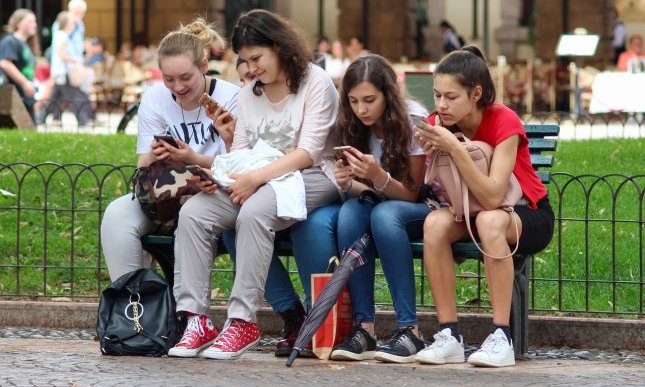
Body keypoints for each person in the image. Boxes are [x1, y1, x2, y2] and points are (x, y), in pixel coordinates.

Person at [169, 9, 341, 361]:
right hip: (258, 177)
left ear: (280, 48)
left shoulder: (315, 82)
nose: (249, 69)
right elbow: (243, 153)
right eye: (244, 61)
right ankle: (196, 318)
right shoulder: (250, 93)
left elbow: (308, 151)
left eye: (256, 58)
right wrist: (223, 172)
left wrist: (255, 180)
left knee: (254, 212)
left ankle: (242, 320)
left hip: (313, 175)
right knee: (195, 213)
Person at [414, 46, 554, 368]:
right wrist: (432, 151)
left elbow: (493, 197)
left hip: (525, 213)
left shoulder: (503, 120)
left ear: (476, 93)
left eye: (451, 97)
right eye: (437, 95)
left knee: (491, 221)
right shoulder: (439, 123)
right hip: (470, 211)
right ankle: (449, 335)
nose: (441, 105)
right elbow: (432, 186)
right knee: (434, 224)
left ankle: (501, 336)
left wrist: (454, 148)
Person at [100, 18, 239, 283]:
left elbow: (239, 164)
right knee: (117, 216)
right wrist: (155, 153)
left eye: (186, 77)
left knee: (192, 214)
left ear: (204, 66)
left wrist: (196, 158)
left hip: (215, 194)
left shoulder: (231, 97)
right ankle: (138, 309)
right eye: (169, 79)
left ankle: (189, 314)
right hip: (166, 193)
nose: (178, 87)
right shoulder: (154, 97)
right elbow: (143, 167)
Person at [328, 54, 430, 363]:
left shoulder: (412, 119)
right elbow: (370, 193)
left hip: (424, 208)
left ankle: (410, 330)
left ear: (388, 93)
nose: (361, 109)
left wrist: (377, 176)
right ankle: (365, 328)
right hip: (382, 204)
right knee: (349, 213)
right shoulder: (353, 122)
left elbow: (412, 193)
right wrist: (349, 184)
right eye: (354, 101)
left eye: (370, 100)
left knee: (384, 216)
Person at [0, 9, 40, 121]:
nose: (34, 24)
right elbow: (5, 63)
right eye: (30, 21)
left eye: (34, 21)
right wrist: (25, 83)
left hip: (25, 96)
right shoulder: (10, 41)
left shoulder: (26, 44)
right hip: (14, 96)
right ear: (18, 23)